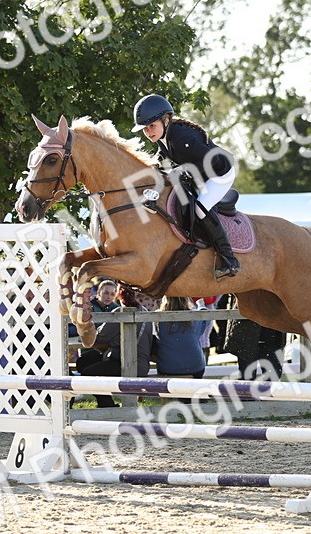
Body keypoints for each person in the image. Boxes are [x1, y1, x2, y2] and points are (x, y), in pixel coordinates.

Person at [132, 94, 240, 279]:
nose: (148, 132)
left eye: (152, 126)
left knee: (200, 208)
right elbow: (163, 165)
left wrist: (185, 171)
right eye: (145, 128)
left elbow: (212, 161)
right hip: (204, 173)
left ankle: (229, 260)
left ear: (166, 120)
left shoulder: (183, 137)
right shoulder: (163, 138)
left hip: (221, 172)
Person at [74, 284, 154, 407]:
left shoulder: (120, 312)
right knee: (83, 361)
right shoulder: (144, 311)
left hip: (128, 363)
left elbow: (99, 337)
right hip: (141, 363)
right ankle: (106, 403)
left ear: (118, 295)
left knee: (88, 374)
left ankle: (107, 405)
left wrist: (85, 333)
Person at [155, 297, 209, 378]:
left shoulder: (158, 318)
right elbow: (206, 317)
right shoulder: (194, 317)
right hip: (195, 367)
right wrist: (201, 305)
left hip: (167, 368)